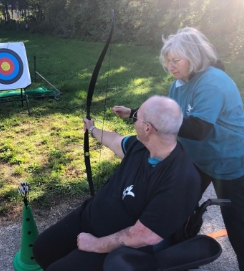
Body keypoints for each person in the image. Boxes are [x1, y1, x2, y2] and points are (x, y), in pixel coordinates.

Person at [113, 27, 244, 271]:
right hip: (197, 157)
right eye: (167, 61)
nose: (170, 67)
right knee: (177, 208)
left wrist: (154, 126)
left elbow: (198, 129)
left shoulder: (213, 83)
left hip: (228, 160)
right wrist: (133, 113)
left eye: (176, 61)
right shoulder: (179, 83)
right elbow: (169, 116)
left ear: (194, 58)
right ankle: (181, 256)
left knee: (237, 223)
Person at [33, 95, 201, 271]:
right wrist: (92, 130)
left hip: (115, 248)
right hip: (89, 217)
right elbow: (115, 140)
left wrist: (95, 244)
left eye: (136, 118)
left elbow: (144, 236)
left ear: (147, 128)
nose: (133, 121)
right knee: (42, 249)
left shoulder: (180, 181)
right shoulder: (141, 146)